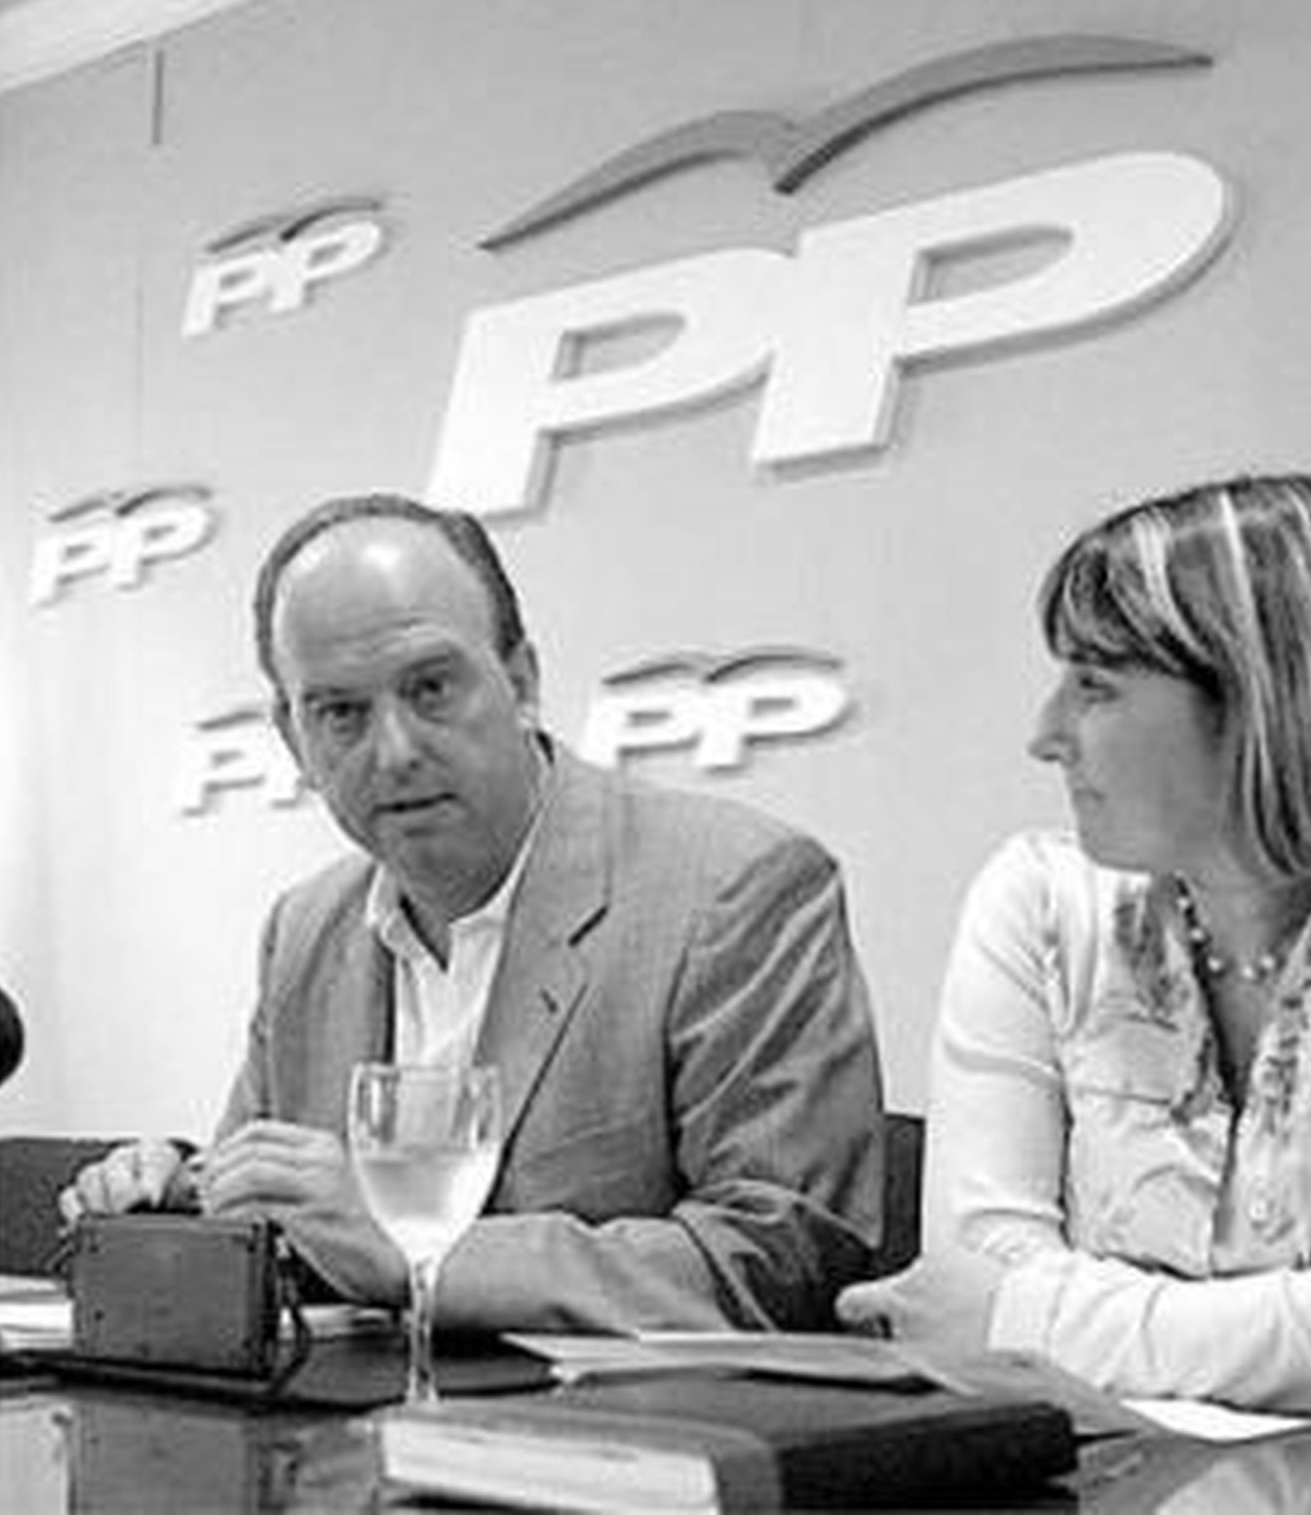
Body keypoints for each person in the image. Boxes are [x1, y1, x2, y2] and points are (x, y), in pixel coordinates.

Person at [839, 472, 1311, 1416]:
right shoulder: (1036, 899)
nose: (1047, 735)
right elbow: (960, 1296)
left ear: (1265, 699)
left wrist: (1022, 1314)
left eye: (1095, 687)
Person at [63, 492, 884, 1332]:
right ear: (291, 739)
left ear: (521, 681)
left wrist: (415, 1253)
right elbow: (286, 1239)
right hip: (343, 1445)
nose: (396, 750)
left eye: (431, 688)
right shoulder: (304, 930)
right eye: (340, 712)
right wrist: (182, 1194)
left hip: (627, 1446)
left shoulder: (734, 887)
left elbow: (779, 1260)